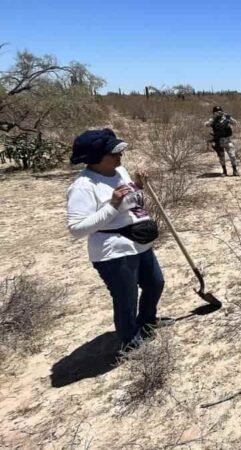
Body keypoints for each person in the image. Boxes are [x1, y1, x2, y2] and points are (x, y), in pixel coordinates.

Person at [66, 129, 167, 351]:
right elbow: (76, 229)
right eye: (113, 153)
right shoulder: (84, 186)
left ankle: (148, 322)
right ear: (95, 157)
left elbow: (130, 200)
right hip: (113, 251)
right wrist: (111, 205)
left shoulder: (120, 171)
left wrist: (139, 186)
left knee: (155, 283)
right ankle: (130, 339)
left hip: (139, 242)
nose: (119, 156)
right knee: (126, 297)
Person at [204, 105, 240, 176]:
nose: (218, 113)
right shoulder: (213, 120)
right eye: (216, 112)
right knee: (221, 157)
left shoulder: (226, 118)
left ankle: (235, 170)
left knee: (232, 155)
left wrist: (228, 116)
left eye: (220, 111)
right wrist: (214, 118)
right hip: (218, 141)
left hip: (227, 140)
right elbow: (206, 124)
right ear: (213, 113)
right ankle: (224, 171)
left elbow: (235, 123)